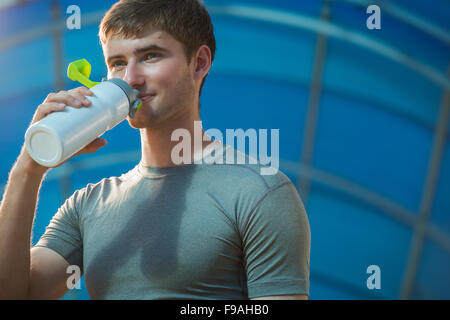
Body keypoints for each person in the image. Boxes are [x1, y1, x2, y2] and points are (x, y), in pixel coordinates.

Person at [0, 0, 310, 300]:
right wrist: (29, 169)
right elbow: (13, 295)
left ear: (199, 63)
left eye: (150, 55)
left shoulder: (258, 191)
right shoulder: (86, 206)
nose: (131, 78)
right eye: (117, 63)